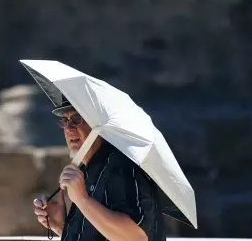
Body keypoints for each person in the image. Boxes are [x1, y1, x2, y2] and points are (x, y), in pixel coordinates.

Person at [33, 98, 166, 241]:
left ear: (99, 125)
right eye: (65, 121)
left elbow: (136, 238)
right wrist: (62, 227)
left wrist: (82, 200)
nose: (69, 128)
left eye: (77, 118)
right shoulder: (84, 169)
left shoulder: (122, 165)